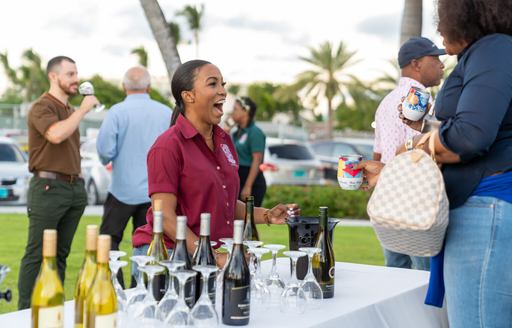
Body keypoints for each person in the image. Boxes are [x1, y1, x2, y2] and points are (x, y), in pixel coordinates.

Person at [356, 0, 512, 325]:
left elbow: (469, 137)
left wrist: (411, 145)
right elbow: (464, 131)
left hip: (487, 209)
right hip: (482, 208)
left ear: (468, 13)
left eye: (443, 16)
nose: (440, 28)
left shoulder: (494, 49)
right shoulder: (488, 53)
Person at [131, 60, 298, 276]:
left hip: (207, 257)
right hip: (168, 258)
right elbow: (165, 217)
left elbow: (224, 203)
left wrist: (267, 215)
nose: (223, 91)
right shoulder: (167, 146)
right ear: (188, 96)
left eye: (223, 84)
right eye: (213, 84)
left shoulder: (224, 141)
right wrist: (212, 255)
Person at [18, 56, 99, 309]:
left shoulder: (67, 110)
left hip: (74, 189)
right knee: (37, 253)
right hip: (48, 189)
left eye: (76, 73)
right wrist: (84, 110)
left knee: (60, 256)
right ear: (54, 77)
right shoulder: (42, 106)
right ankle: (25, 314)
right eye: (70, 74)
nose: (76, 79)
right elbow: (55, 135)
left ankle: (52, 307)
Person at [373, 37, 445, 271]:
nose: (442, 65)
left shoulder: (386, 101)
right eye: (435, 59)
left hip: (387, 198)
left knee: (395, 272)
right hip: (417, 197)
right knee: (425, 276)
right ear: (417, 64)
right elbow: (431, 146)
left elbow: (378, 153)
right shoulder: (420, 97)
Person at [96, 66, 172, 287]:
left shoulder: (117, 112)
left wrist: (108, 159)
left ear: (123, 87)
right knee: (149, 243)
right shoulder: (166, 112)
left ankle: (115, 289)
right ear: (148, 87)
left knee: (108, 242)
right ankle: (140, 289)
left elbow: (105, 151)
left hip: (122, 190)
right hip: (156, 194)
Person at [230, 96, 267, 206]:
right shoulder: (236, 132)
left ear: (246, 111)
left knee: (248, 220)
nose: (232, 112)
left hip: (251, 180)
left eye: (235, 109)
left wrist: (248, 186)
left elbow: (257, 160)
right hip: (239, 177)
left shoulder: (255, 132)